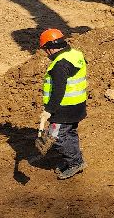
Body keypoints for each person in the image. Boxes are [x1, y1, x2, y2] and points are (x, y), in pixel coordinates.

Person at [37, 28, 87, 180]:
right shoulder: (75, 54)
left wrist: (49, 110)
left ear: (51, 48)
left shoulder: (59, 65)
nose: (46, 54)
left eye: (45, 50)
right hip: (78, 106)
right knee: (69, 133)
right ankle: (74, 158)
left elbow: (59, 90)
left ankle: (75, 162)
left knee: (56, 136)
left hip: (64, 109)